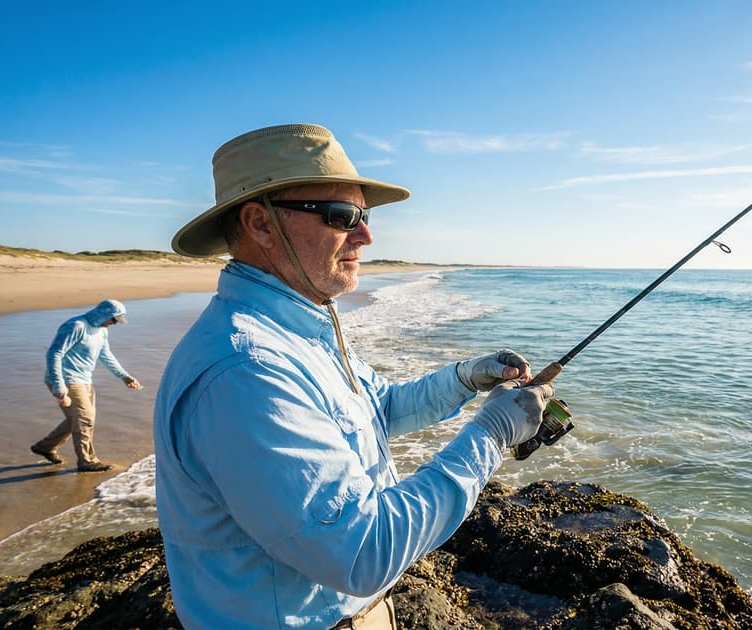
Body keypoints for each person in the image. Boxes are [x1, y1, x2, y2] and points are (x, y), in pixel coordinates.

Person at [154, 123, 554, 629]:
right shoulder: (247, 369)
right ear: (259, 224)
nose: (366, 234)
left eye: (363, 216)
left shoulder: (297, 330)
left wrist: (467, 378)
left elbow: (378, 410)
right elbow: (364, 553)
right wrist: (491, 435)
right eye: (343, 216)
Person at [31, 298, 143, 472]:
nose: (113, 324)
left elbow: (106, 355)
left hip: (84, 380)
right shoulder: (77, 326)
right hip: (66, 379)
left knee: (76, 419)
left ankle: (45, 447)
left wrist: (125, 376)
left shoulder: (101, 331)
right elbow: (54, 354)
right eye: (113, 320)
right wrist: (59, 387)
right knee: (85, 419)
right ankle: (87, 461)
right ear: (104, 314)